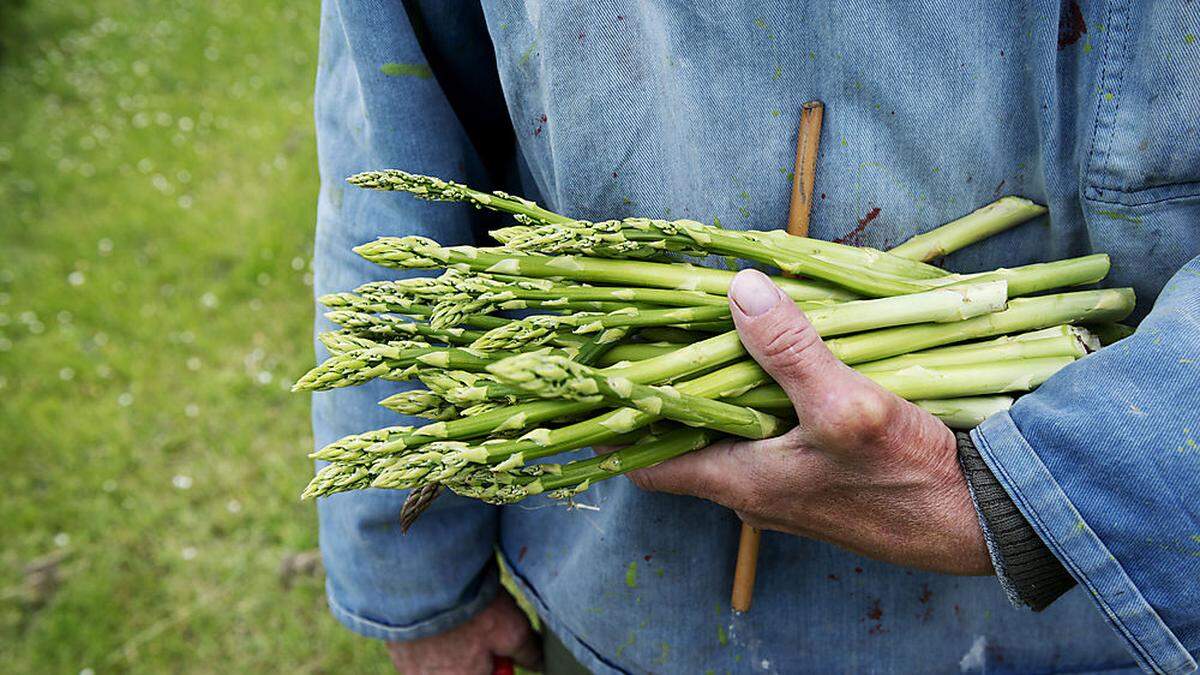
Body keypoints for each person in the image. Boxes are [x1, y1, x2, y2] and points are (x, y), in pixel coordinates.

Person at [310, 1, 1200, 673]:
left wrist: (1054, 485)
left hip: (1114, 603)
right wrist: (417, 588)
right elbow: (391, 122)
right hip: (639, 602)